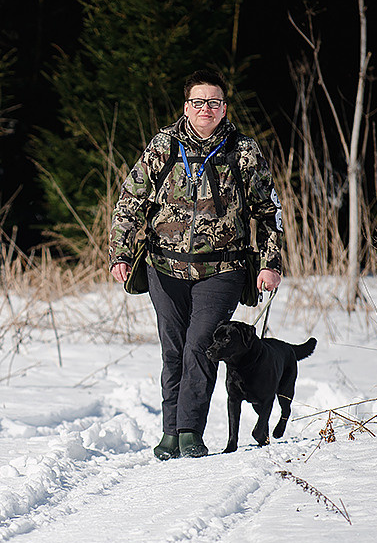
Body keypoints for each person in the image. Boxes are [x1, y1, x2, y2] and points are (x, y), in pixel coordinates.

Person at [109, 69, 283, 459]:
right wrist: (120, 252)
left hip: (222, 269)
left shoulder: (243, 150)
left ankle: (190, 431)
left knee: (201, 346)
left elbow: (269, 211)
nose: (207, 108)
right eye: (199, 102)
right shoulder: (164, 145)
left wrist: (270, 263)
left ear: (224, 108)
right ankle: (170, 433)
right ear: (186, 106)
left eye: (214, 102)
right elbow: (130, 200)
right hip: (164, 268)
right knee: (173, 350)